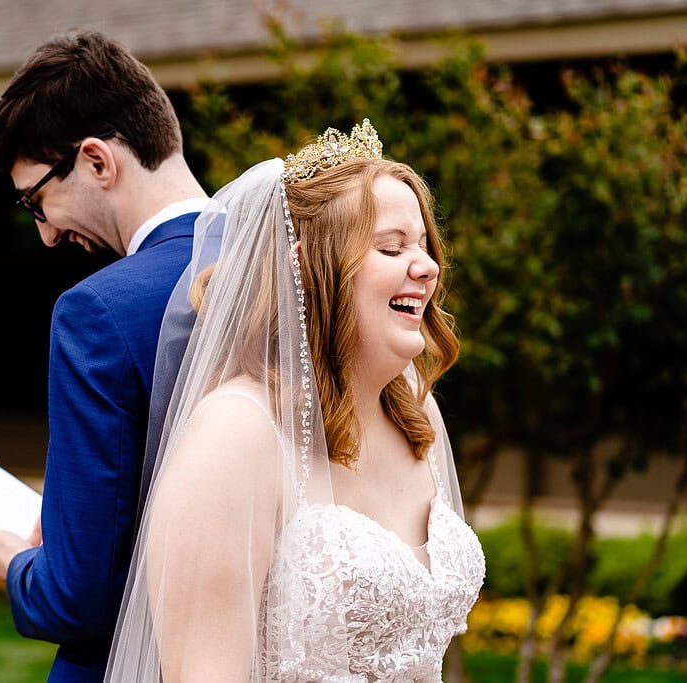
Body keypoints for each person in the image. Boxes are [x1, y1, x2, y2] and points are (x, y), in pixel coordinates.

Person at [105, 120, 485, 682]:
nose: (427, 267)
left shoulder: (415, 412)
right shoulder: (235, 434)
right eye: (392, 246)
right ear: (306, 269)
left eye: (425, 246)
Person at [0, 30, 208, 682]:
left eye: (36, 199)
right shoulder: (291, 275)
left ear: (98, 160)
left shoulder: (98, 311)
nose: (46, 235)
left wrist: (18, 562)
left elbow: (79, 595)